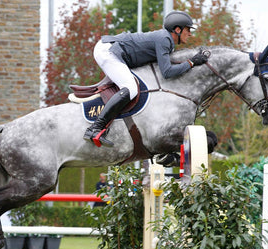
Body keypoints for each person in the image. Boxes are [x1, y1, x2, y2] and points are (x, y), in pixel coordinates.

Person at [84, 11, 209, 147]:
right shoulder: (164, 39)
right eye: (188, 29)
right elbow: (167, 72)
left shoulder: (166, 41)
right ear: (177, 30)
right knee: (131, 89)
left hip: (113, 50)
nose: (190, 33)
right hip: (108, 51)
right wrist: (191, 63)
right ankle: (95, 128)